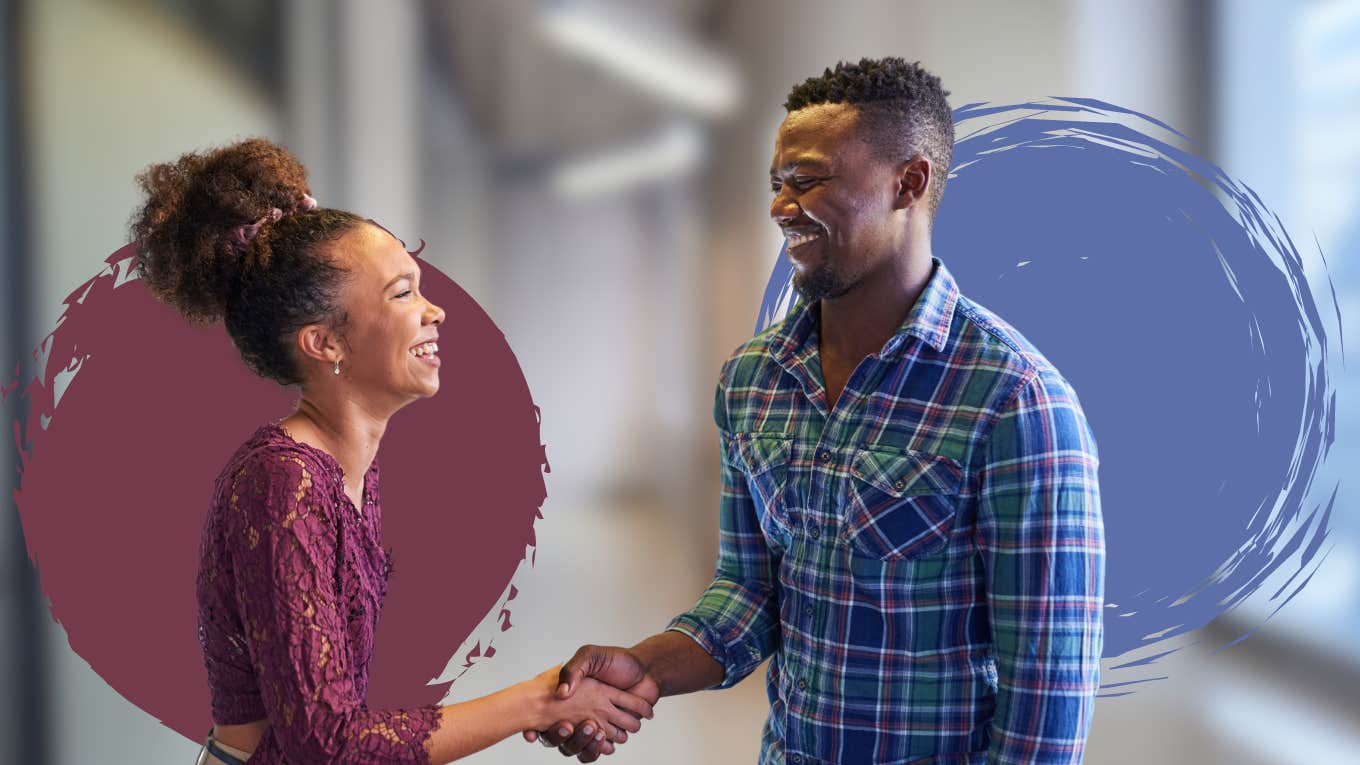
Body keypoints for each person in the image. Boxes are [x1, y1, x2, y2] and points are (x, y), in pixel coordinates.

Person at [528, 58, 1106, 764]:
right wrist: (644, 667)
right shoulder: (753, 380)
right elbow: (747, 596)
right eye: (777, 184)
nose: (780, 206)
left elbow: (1046, 700)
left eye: (808, 180)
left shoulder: (1015, 401)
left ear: (909, 182)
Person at [130, 138, 653, 764]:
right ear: (325, 342)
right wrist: (542, 700)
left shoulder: (344, 469)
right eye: (402, 293)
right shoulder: (282, 483)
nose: (434, 311)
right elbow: (326, 746)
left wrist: (557, 699)